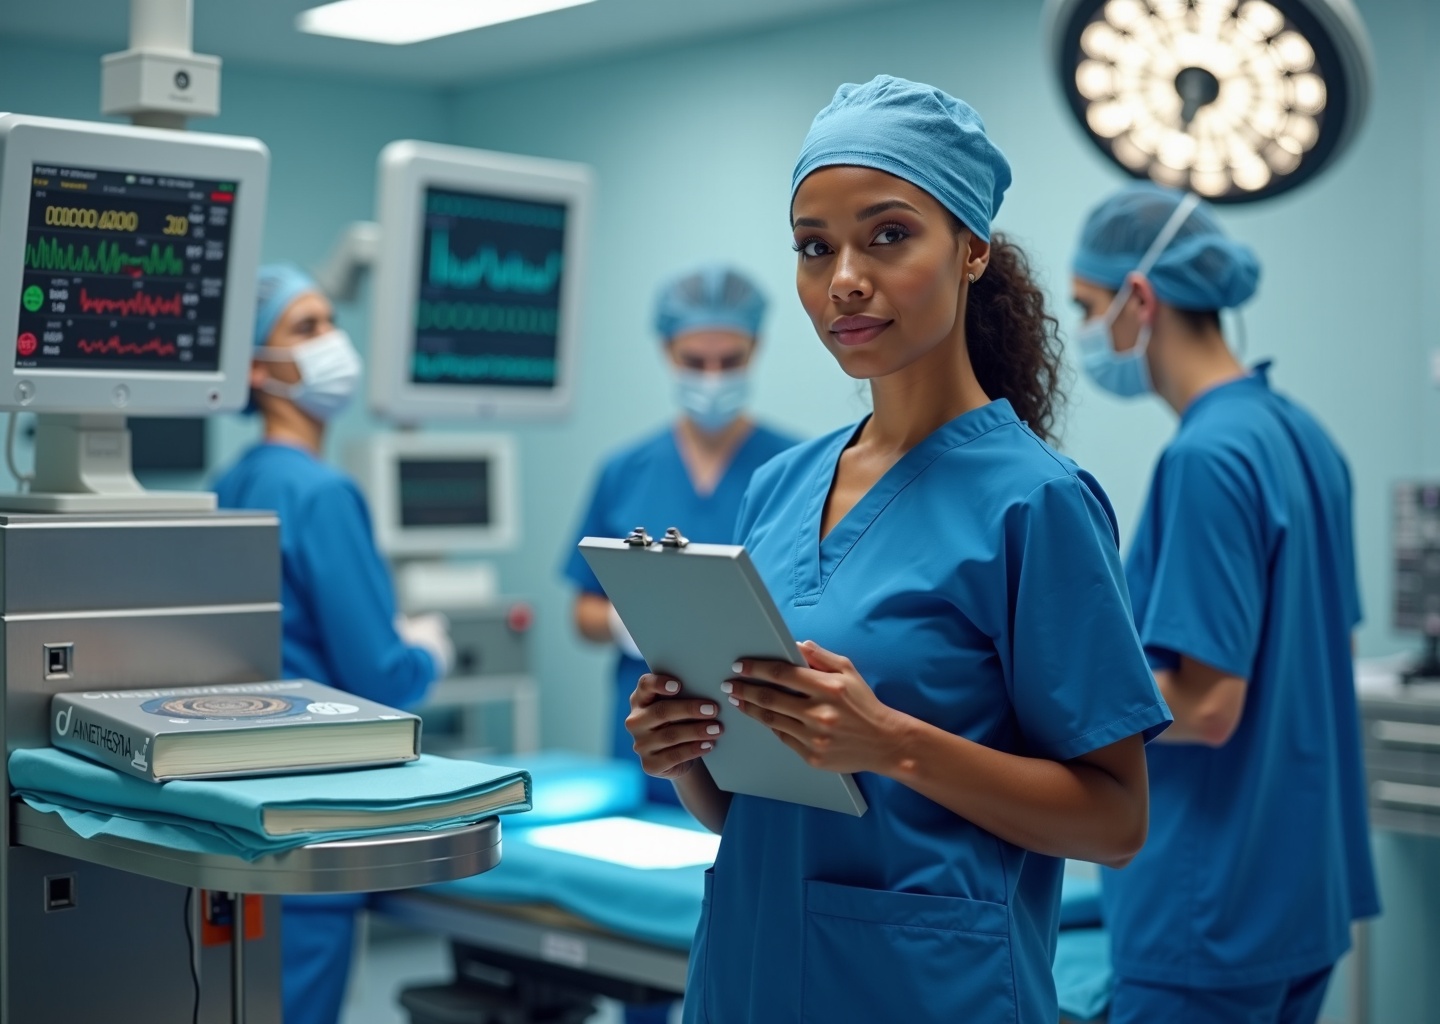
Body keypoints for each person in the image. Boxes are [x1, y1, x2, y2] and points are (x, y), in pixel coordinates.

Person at [623, 76, 1172, 1024]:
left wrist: (893, 745)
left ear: (971, 251)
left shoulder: (1036, 502)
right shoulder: (781, 486)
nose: (843, 278)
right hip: (748, 978)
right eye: (813, 247)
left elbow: (1116, 820)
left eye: (887, 235)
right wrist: (687, 756)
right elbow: (753, 813)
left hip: (927, 992)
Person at [1070, 183, 1379, 1024]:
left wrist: (1057, 705)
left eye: (1087, 308)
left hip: (1207, 916)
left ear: (1140, 298)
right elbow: (1327, 661)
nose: (1087, 337)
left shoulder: (1206, 457)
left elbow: (1208, 707)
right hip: (1299, 898)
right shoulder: (1304, 438)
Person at [214, 263, 454, 1024]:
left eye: (330, 323)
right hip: (314, 815)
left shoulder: (234, 481)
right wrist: (428, 651)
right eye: (307, 328)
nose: (332, 342)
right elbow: (379, 676)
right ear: (256, 366)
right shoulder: (320, 493)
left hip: (240, 801)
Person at [562, 264, 797, 802]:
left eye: (729, 360)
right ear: (668, 351)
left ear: (755, 348)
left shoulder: (796, 469)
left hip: (758, 740)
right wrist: (629, 623)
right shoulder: (625, 471)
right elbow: (582, 614)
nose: (712, 377)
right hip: (650, 744)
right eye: (696, 361)